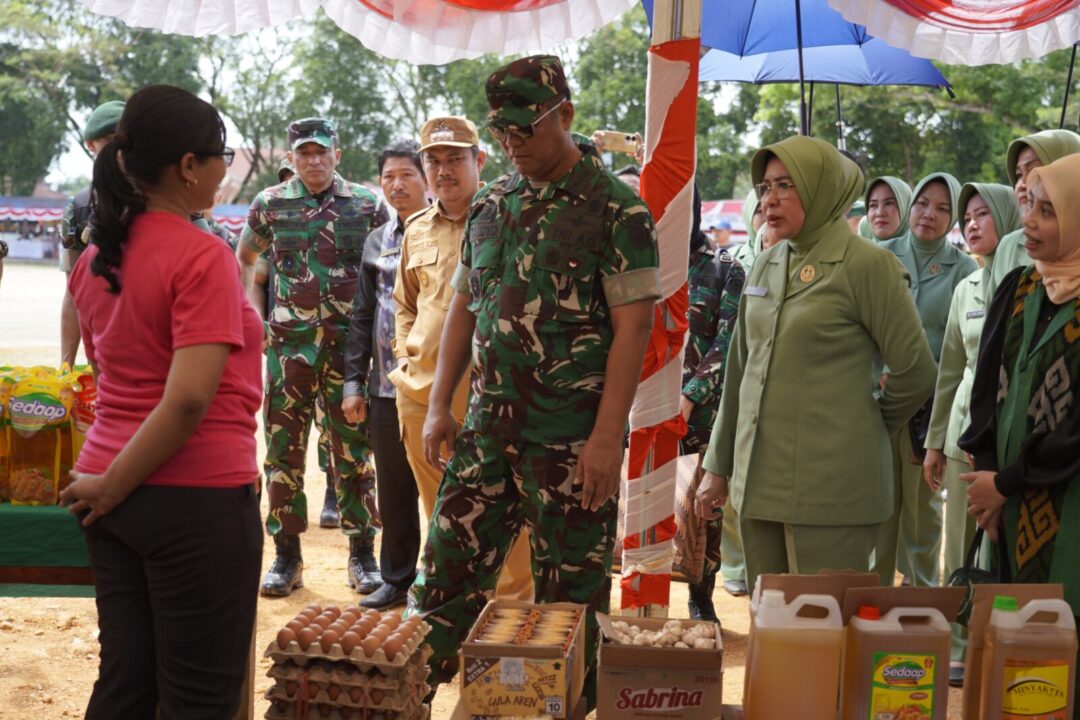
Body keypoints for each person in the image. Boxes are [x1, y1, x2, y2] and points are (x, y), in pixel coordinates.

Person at [413, 54, 660, 702]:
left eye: (526, 130)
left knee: (568, 609)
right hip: (486, 436)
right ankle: (409, 699)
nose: (514, 144)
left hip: (571, 448)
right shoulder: (492, 205)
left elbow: (633, 331)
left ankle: (564, 709)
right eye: (504, 134)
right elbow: (465, 308)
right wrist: (441, 405)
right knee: (441, 584)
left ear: (565, 116)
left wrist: (608, 440)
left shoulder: (618, 213)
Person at [60, 85, 262, 719]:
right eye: (221, 155)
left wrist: (109, 486)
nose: (225, 169)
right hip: (191, 495)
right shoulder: (202, 255)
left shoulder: (94, 257)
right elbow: (185, 401)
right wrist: (116, 486)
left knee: (127, 684)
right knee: (199, 697)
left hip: (109, 488)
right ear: (188, 166)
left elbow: (117, 375)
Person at [696, 136, 937, 593]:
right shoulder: (767, 264)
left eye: (786, 185)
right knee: (772, 627)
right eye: (765, 187)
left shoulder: (868, 266)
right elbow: (739, 372)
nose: (769, 199)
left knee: (825, 630)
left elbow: (916, 370)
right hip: (758, 484)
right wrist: (718, 466)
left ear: (821, 188)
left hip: (832, 489)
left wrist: (865, 425)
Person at [237, 117, 387, 597]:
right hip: (289, 353)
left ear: (336, 155)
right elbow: (245, 258)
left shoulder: (366, 205)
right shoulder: (271, 205)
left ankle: (362, 556)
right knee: (283, 456)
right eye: (304, 153)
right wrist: (253, 318)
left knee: (354, 456)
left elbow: (390, 268)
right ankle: (286, 558)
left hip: (350, 356)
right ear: (291, 158)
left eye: (322, 152)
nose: (314, 161)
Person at [391, 115, 535, 602]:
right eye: (433, 160)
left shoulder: (511, 217)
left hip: (495, 400)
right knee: (442, 516)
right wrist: (407, 354)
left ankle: (511, 623)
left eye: (455, 158)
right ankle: (455, 616)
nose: (443, 170)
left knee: (509, 516)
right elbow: (406, 304)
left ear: (481, 160)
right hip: (422, 397)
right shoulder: (416, 229)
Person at [959, 156, 1080, 701]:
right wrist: (987, 479)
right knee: (1010, 646)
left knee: (1062, 644)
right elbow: (984, 394)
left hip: (1068, 506)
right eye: (1029, 203)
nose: (1028, 221)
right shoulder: (1019, 287)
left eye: (1049, 211)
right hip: (1005, 505)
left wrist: (1008, 483)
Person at [923, 182, 1021, 686]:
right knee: (958, 547)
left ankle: (1000, 640)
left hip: (1015, 443)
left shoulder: (1031, 282)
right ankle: (956, 645)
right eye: (970, 216)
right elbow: (950, 371)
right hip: (965, 436)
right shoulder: (966, 289)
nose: (973, 224)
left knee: (1004, 548)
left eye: (985, 214)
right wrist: (935, 443)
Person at [875, 173, 979, 588]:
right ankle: (873, 594)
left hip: (929, 409)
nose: (929, 215)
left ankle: (919, 597)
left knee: (922, 510)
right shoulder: (880, 255)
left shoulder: (962, 268)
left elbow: (957, 348)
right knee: (878, 505)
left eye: (942, 208)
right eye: (922, 203)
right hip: (879, 402)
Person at [343, 139, 430, 610]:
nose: (397, 185)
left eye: (407, 175)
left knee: (443, 485)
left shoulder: (450, 231)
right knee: (394, 488)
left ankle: (439, 583)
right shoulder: (377, 239)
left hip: (439, 387)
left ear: (426, 179)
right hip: (384, 387)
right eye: (388, 177)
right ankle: (397, 578)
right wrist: (353, 382)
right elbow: (361, 315)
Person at [682, 193, 746, 614]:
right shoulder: (632, 266)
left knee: (703, 510)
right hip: (636, 411)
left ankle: (700, 596)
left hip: (701, 415)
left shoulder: (725, 269)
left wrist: (691, 397)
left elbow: (729, 342)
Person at [60, 100, 125, 368]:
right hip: (100, 349)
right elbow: (74, 294)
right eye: (110, 140)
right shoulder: (78, 208)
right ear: (91, 145)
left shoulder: (164, 197)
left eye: (125, 140)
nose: (119, 149)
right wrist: (66, 367)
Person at [986, 129, 1080, 300]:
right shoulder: (1009, 246)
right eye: (1018, 174)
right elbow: (994, 322)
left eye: (1034, 170)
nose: (1022, 184)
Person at [864, 176, 913, 244]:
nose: (880, 213)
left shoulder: (923, 253)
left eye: (889, 203)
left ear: (906, 208)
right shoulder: (859, 251)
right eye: (873, 205)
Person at [731, 187, 767, 272]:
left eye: (773, 208)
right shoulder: (730, 259)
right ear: (749, 216)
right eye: (760, 211)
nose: (768, 216)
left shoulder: (797, 257)